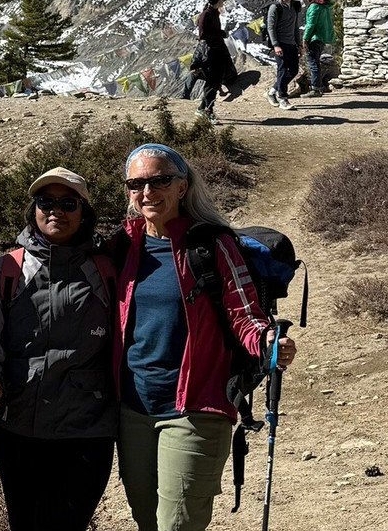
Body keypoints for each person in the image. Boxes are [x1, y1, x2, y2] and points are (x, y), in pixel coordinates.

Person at [113, 144, 297, 531]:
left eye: (160, 180)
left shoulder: (211, 245)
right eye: (137, 183)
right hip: (132, 411)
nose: (147, 192)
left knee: (177, 526)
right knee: (148, 522)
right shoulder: (121, 247)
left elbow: (243, 312)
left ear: (182, 187)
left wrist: (266, 343)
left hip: (195, 408)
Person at [0, 168, 118, 531]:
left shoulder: (106, 271)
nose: (56, 211)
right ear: (32, 209)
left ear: (84, 211)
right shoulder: (5, 272)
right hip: (19, 428)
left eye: (68, 203)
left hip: (87, 430)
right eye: (45, 202)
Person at [194, 0, 230, 124]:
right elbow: (203, 35)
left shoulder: (214, 13)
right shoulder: (206, 15)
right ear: (216, 1)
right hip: (209, 53)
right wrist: (219, 34)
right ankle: (208, 111)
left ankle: (202, 108)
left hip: (217, 50)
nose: (223, 3)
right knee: (212, 82)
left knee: (214, 82)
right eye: (221, 0)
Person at [265, 0, 302, 111]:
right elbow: (271, 27)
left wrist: (299, 44)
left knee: (294, 70)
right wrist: (276, 45)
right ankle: (282, 98)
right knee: (282, 70)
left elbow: (295, 27)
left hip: (292, 43)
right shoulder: (275, 7)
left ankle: (272, 91)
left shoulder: (294, 7)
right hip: (280, 44)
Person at [303, 0, 335, 97]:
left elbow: (311, 24)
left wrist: (305, 39)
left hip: (314, 37)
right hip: (322, 37)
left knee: (313, 63)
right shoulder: (324, 6)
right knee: (316, 62)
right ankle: (318, 86)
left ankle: (315, 88)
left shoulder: (314, 7)